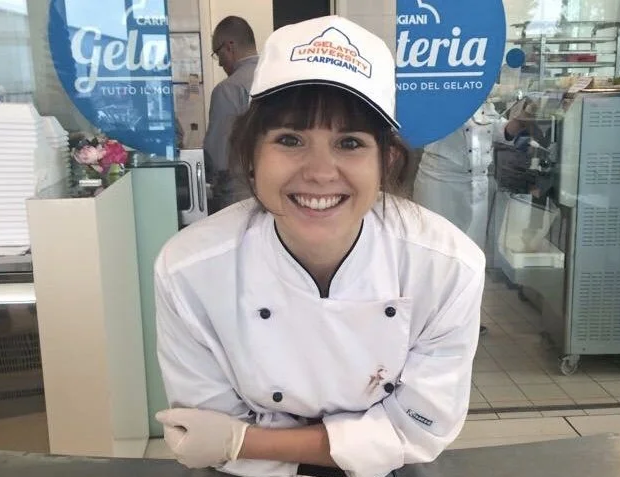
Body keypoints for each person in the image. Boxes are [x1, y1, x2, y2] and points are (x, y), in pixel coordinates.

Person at [154, 16, 484, 477]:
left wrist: (244, 440)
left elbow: (417, 432)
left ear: (385, 161)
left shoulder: (447, 267)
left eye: (349, 142)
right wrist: (363, 438)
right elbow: (203, 429)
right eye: (290, 140)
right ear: (251, 156)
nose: (320, 172)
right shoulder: (190, 270)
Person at [413, 101, 527, 336]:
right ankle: (427, 322)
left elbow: (498, 131)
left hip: (477, 183)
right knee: (435, 254)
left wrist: (523, 118)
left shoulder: (484, 101)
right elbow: (418, 128)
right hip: (439, 180)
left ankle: (465, 320)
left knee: (471, 255)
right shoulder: (436, 94)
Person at [203, 16, 259, 213]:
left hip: (240, 194)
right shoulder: (278, 79)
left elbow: (219, 156)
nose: (219, 63)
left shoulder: (228, 89)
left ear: (229, 46)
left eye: (218, 54)